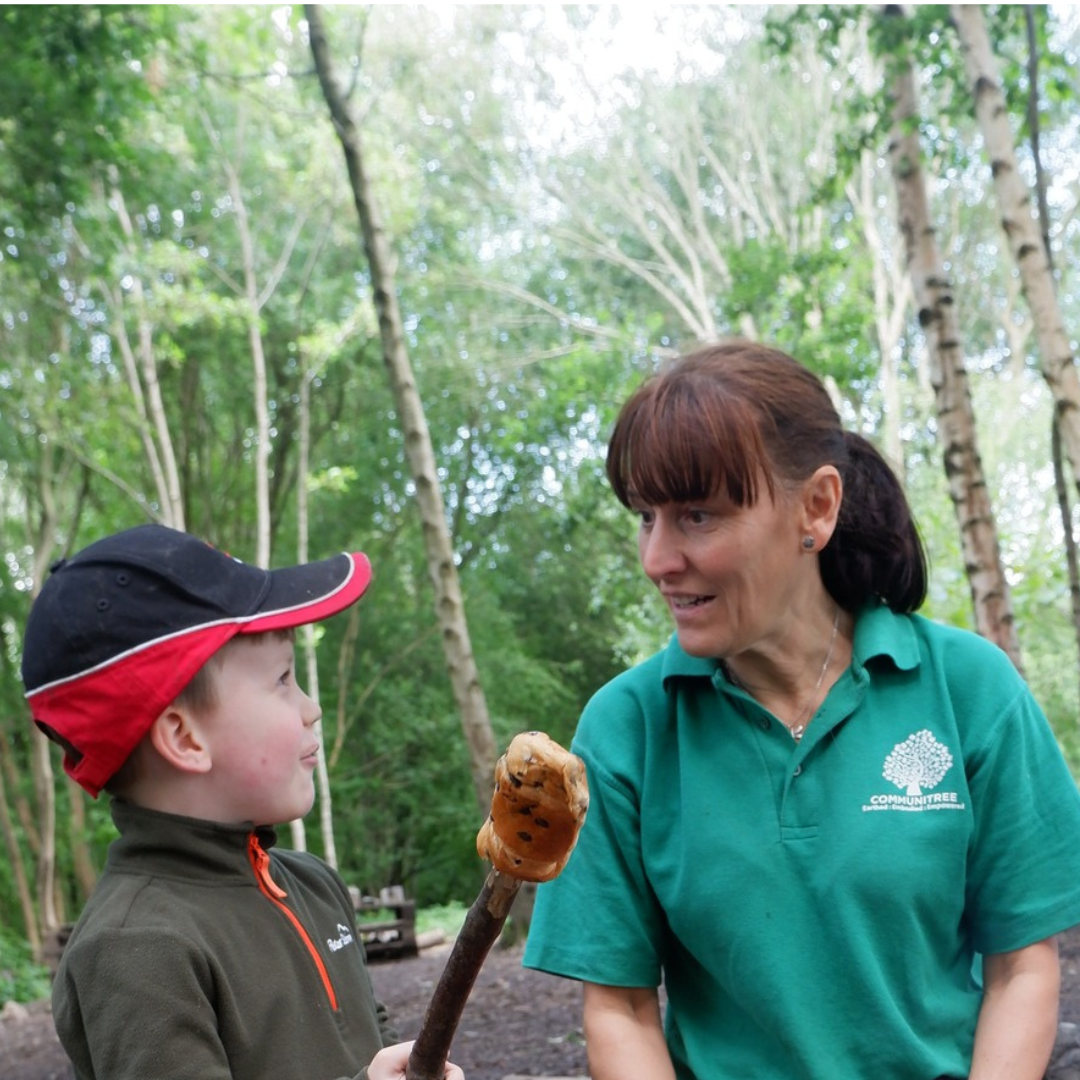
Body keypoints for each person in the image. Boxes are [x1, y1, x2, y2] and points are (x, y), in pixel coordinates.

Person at [523, 340, 1080, 1080]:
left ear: (815, 508)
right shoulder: (626, 729)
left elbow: (1023, 967)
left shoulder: (969, 687)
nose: (657, 558)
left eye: (696, 515)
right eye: (646, 516)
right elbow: (619, 1009)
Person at [21, 523, 464, 1080]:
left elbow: (364, 1043)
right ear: (185, 739)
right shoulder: (134, 949)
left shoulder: (312, 885)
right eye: (283, 679)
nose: (311, 709)